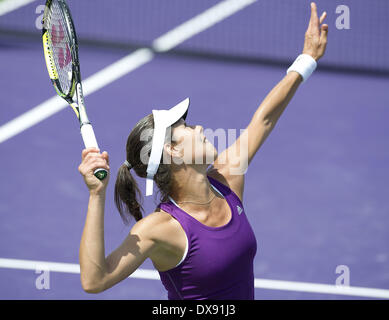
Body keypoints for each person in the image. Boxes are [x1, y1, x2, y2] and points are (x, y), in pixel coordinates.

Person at [77, 2, 328, 299]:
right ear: (171, 151)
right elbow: (95, 280)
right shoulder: (160, 228)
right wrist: (96, 195)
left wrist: (306, 59)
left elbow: (264, 118)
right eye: (186, 127)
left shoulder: (227, 180)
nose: (199, 128)